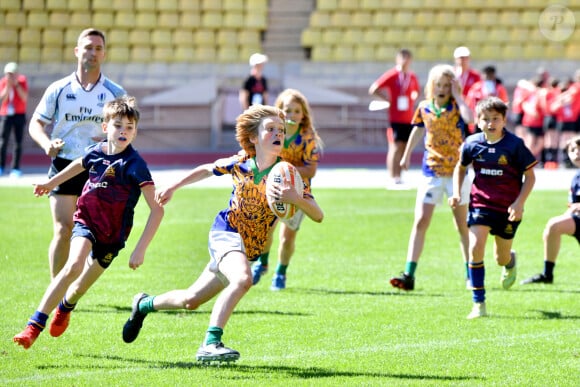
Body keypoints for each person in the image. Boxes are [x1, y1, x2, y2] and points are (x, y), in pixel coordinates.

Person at [121, 104, 323, 363]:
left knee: (190, 300)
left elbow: (318, 214)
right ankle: (211, 343)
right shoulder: (240, 163)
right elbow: (208, 168)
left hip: (248, 248)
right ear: (253, 137)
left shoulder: (288, 174)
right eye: (270, 129)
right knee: (242, 280)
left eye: (281, 130)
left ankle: (143, 304)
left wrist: (296, 198)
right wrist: (174, 186)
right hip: (226, 233)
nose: (278, 134)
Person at [13, 96, 164, 349]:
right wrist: (50, 183)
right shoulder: (95, 152)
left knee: (79, 287)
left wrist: (141, 248)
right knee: (72, 266)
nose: (123, 131)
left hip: (113, 236)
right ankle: (33, 326)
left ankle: (66, 307)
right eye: (118, 125)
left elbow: (156, 210)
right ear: (105, 128)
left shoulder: (136, 166)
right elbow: (77, 165)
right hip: (86, 221)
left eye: (129, 127)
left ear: (135, 131)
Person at [28, 28, 126, 279]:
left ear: (104, 54)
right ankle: (56, 288)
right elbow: (36, 124)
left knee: (94, 233)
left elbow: (130, 129)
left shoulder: (115, 93)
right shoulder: (59, 88)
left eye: (98, 48)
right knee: (63, 229)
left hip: (98, 168)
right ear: (77, 51)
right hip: (63, 164)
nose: (93, 53)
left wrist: (108, 138)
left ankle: (74, 285)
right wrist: (47, 143)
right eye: (88, 47)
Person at [449, 97, 537, 319]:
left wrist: (519, 203)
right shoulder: (471, 144)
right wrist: (457, 193)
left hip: (508, 209)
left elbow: (530, 176)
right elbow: (460, 169)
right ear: (478, 122)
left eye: (495, 119)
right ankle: (479, 304)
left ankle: (510, 261)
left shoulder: (515, 145)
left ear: (504, 120)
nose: (490, 123)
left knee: (500, 257)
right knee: (475, 247)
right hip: (481, 204)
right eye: (485, 119)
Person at [390, 64, 473, 291]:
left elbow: (470, 119)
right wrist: (406, 155)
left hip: (457, 172)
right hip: (431, 172)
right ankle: (409, 273)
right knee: (420, 221)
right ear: (431, 86)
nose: (443, 89)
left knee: (462, 225)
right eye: (439, 85)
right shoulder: (425, 107)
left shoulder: (458, 107)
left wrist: (459, 95)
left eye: (447, 85)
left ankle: (470, 273)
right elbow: (418, 129)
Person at [250, 88, 324, 290]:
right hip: (272, 191)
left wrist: (285, 171)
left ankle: (280, 273)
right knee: (265, 231)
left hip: (298, 194)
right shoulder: (272, 133)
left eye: (296, 111)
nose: (291, 115)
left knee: (287, 237)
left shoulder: (307, 138)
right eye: (286, 110)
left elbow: (310, 170)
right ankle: (262, 263)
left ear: (303, 115)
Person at [521, 135, 580, 284]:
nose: (577, 153)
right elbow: (572, 206)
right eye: (573, 150)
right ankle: (547, 274)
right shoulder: (576, 178)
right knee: (553, 226)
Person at [368, 49, 420, 187]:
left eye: (407, 58)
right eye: (402, 57)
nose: (405, 60)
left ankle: (399, 176)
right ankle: (392, 176)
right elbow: (374, 88)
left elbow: (416, 92)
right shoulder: (392, 75)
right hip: (395, 118)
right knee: (395, 147)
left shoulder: (412, 76)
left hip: (408, 118)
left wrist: (411, 100)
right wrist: (387, 99)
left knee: (404, 147)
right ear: (397, 59)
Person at [0, 62, 28, 178]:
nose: (10, 76)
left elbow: (24, 97)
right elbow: (2, 99)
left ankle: (15, 168)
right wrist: (8, 86)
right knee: (3, 141)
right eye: (8, 74)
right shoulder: (3, 82)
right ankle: (1, 166)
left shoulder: (22, 81)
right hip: (6, 114)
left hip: (19, 114)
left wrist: (16, 85)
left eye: (12, 74)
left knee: (18, 142)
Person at [465, 65, 509, 133]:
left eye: (490, 75)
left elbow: (505, 104)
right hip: (479, 119)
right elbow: (469, 103)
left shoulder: (499, 88)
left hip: (494, 120)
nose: (488, 78)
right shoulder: (476, 88)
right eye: (487, 75)